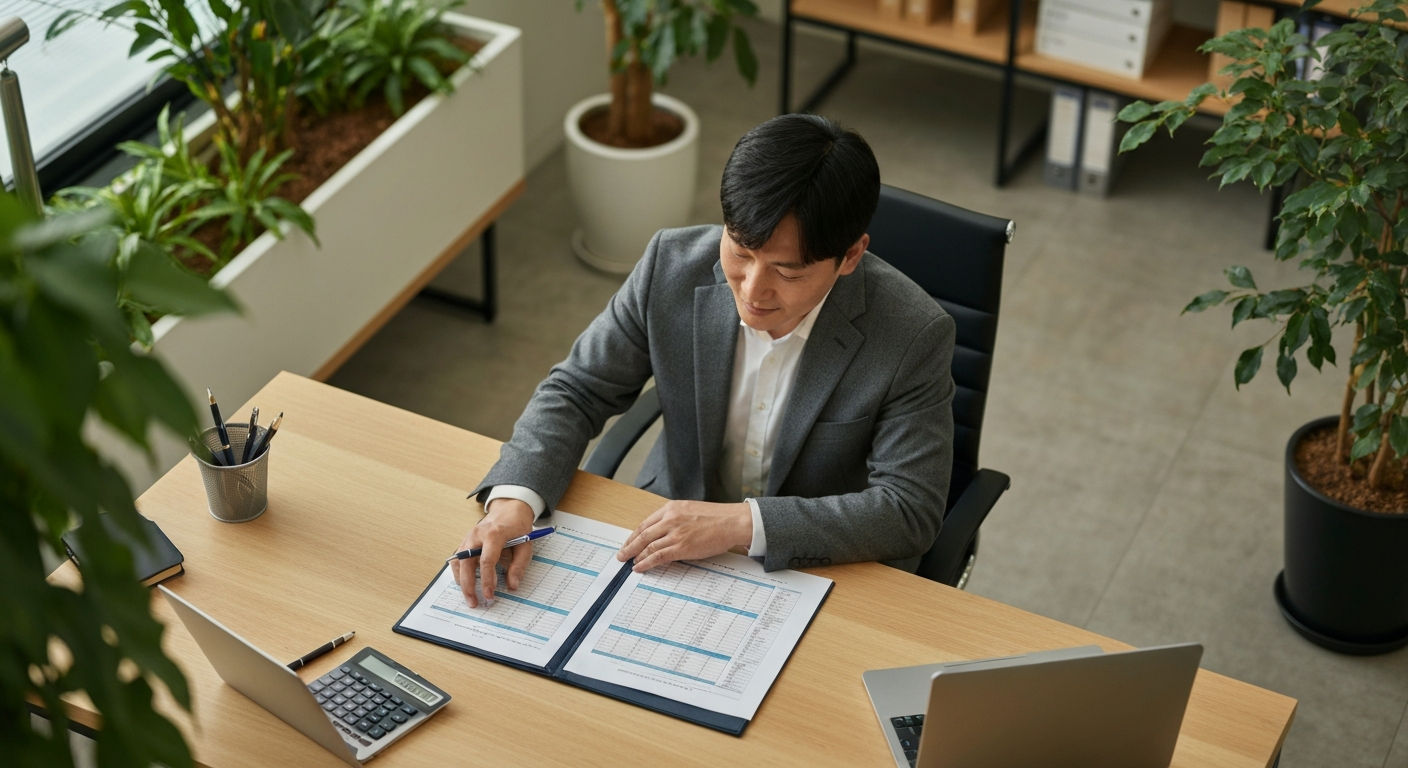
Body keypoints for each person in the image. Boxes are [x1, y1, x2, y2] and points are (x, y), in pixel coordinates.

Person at [451, 113, 956, 607]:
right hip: (671, 548)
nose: (753, 289)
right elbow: (579, 388)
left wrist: (741, 524)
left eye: (788, 271)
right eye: (740, 251)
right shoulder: (669, 267)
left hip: (820, 568)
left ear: (850, 256)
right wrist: (513, 504)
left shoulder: (913, 333)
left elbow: (909, 508)